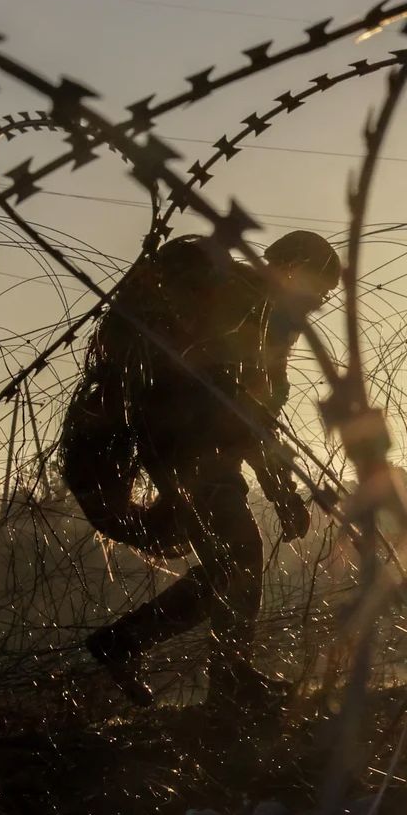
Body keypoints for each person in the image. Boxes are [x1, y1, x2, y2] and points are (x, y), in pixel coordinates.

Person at [73, 230, 338, 712]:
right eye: (317, 290)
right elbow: (252, 410)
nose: (317, 303)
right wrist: (280, 490)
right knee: (239, 553)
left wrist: (278, 487)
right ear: (294, 271)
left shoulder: (257, 305)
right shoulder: (248, 303)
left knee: (230, 562)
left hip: (190, 444)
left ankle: (128, 644)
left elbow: (256, 413)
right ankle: (226, 682)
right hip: (190, 447)